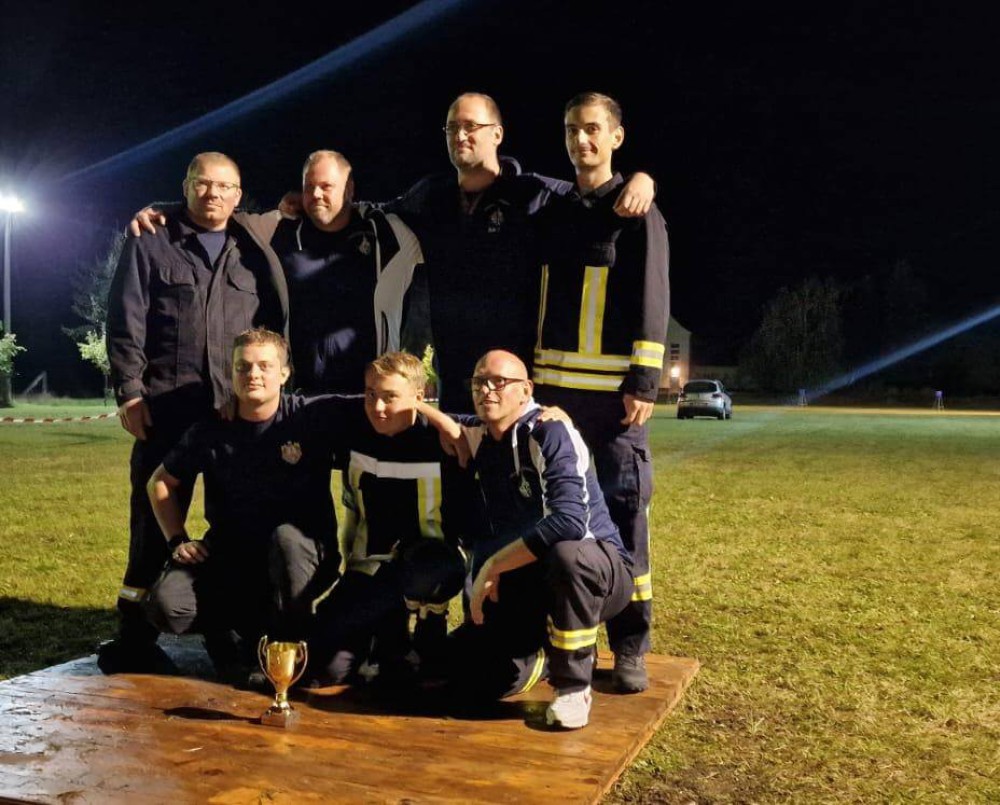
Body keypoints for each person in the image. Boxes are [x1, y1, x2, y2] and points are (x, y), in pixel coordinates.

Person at [100, 152, 288, 674]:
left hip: (233, 414)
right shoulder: (151, 239)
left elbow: (272, 322)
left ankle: (230, 631)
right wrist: (129, 392)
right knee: (150, 523)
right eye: (202, 184)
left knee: (236, 522)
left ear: (239, 194)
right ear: (185, 186)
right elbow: (125, 318)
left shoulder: (253, 244)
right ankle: (135, 637)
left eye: (225, 187)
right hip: (165, 408)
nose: (213, 195)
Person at [387, 92, 655, 413]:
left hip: (514, 381)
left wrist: (642, 181)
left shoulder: (533, 195)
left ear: (497, 134)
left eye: (471, 126)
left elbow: (592, 196)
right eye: (452, 127)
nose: (460, 135)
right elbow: (375, 214)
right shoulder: (430, 197)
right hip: (455, 378)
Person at [532, 93, 670, 693]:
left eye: (592, 129)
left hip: (614, 403)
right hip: (555, 397)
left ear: (616, 136)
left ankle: (631, 646)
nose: (581, 140)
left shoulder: (637, 211)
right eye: (572, 130)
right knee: (559, 516)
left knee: (624, 514)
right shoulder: (552, 211)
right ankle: (567, 640)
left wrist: (644, 381)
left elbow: (652, 297)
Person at [425, 350, 634, 730]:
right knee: (459, 675)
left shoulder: (549, 431)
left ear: (526, 390)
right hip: (529, 578)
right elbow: (420, 415)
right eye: (479, 382)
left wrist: (493, 565)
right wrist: (415, 404)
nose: (486, 390)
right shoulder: (480, 432)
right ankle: (538, 653)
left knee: (567, 555)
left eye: (499, 382)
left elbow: (569, 522)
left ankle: (573, 685)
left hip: (598, 571)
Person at [131, 150, 423, 395]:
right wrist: (164, 212)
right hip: (301, 398)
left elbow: (429, 221)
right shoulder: (277, 229)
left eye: (326, 186)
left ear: (349, 189)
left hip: (372, 398)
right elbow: (219, 212)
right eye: (309, 187)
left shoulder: (389, 234)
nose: (316, 194)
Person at [144, 328, 341, 684]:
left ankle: (290, 646)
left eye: (265, 366)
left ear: (285, 373)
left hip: (300, 556)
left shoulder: (312, 416)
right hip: (233, 556)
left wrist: (439, 420)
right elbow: (160, 482)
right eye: (243, 367)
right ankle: (232, 636)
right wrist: (178, 539)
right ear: (232, 372)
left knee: (286, 541)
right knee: (167, 605)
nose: (253, 374)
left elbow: (384, 404)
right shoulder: (212, 427)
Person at [305, 351, 465, 687]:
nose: (377, 407)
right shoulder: (352, 424)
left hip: (427, 567)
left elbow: (508, 421)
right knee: (328, 668)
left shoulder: (443, 437)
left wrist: (554, 415)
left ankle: (424, 634)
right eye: (370, 394)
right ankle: (381, 642)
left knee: (427, 570)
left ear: (419, 397)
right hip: (369, 568)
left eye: (390, 397)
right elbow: (287, 405)